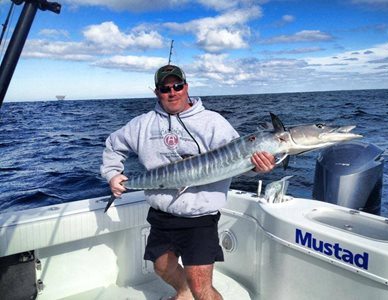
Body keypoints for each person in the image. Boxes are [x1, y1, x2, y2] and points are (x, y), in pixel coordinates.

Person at [100, 64, 275, 300]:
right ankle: (183, 293)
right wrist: (113, 174)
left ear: (186, 87)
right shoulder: (142, 124)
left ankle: (191, 292)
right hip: (162, 214)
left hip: (199, 217)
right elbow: (113, 145)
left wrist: (257, 167)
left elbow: (239, 159)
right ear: (157, 92)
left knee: (200, 286)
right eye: (165, 88)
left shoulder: (213, 122)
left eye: (177, 86)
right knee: (162, 267)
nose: (172, 92)